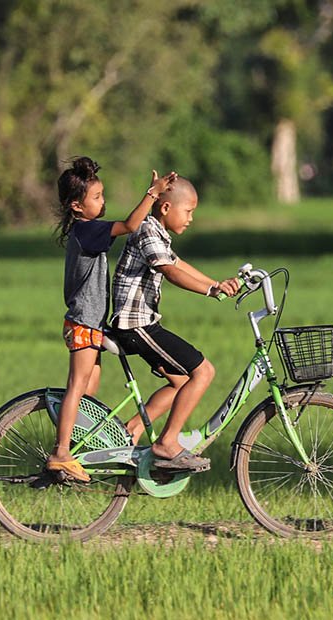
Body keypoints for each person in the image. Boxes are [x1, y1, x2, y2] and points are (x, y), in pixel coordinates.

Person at [46, 156, 177, 482]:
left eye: (102, 195)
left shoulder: (84, 231)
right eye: (96, 198)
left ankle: (79, 451)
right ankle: (61, 453)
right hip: (83, 323)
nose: (102, 202)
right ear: (77, 207)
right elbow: (132, 225)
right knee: (77, 387)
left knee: (88, 391)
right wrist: (152, 193)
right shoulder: (87, 231)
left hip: (90, 324)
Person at [110, 176, 240, 470]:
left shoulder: (157, 232)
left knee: (181, 382)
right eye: (189, 211)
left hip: (140, 324)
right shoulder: (146, 230)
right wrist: (210, 290)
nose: (192, 219)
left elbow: (178, 263)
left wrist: (217, 284)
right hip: (135, 325)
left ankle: (132, 429)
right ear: (166, 207)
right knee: (203, 372)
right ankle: (167, 443)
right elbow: (169, 270)